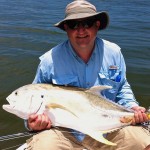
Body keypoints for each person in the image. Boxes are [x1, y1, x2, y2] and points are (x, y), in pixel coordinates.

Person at [25, 0, 150, 149]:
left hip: (109, 130)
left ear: (97, 25)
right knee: (43, 146)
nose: (81, 31)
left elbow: (121, 86)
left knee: (142, 141)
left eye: (87, 23)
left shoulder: (114, 53)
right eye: (73, 25)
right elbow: (31, 103)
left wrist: (132, 107)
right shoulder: (48, 61)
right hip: (65, 134)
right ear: (66, 28)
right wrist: (31, 123)